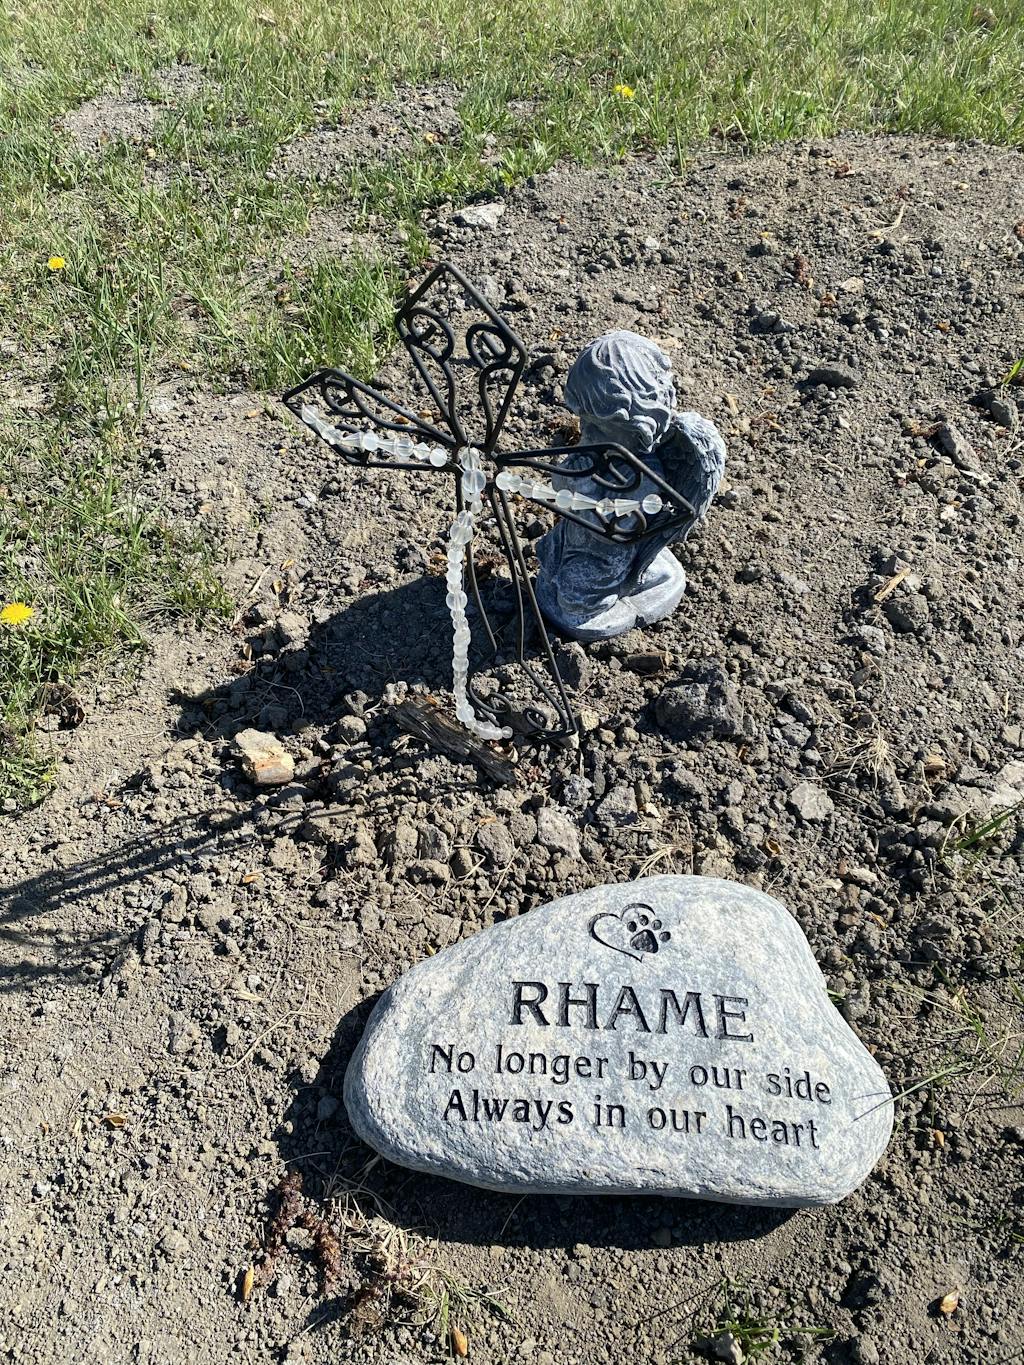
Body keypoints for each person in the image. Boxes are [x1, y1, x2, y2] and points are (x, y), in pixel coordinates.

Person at [534, 331, 726, 641]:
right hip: (573, 538)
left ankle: (640, 577)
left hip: (605, 554)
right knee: (553, 573)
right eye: (584, 421)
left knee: (574, 600)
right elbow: (560, 485)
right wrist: (568, 477)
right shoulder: (595, 450)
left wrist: (582, 491)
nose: (587, 434)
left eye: (600, 426)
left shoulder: (644, 474)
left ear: (637, 426)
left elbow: (618, 527)